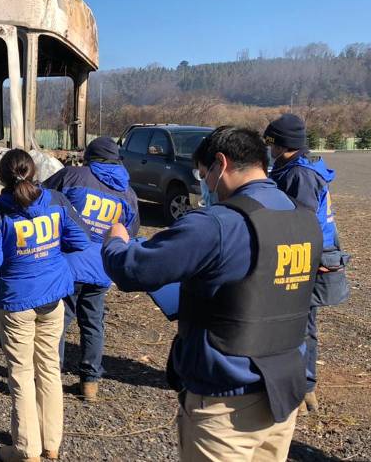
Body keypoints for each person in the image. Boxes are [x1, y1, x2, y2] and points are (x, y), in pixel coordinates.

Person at [102, 126, 322, 462]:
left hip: (225, 403)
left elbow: (135, 269)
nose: (205, 184)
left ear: (220, 164)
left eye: (203, 174)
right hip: (282, 390)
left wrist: (115, 241)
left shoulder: (217, 224)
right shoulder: (303, 218)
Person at [0, 149, 90, 462]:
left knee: (22, 375)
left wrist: (15, 255)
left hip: (16, 302)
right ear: (34, 171)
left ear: (1, 177)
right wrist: (50, 253)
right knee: (50, 369)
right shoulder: (55, 201)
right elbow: (80, 240)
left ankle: (27, 450)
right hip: (53, 297)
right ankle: (51, 444)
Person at [264, 113, 350, 414]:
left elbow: (298, 225)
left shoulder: (298, 176)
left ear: (280, 144)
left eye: (270, 142)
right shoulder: (292, 169)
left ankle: (303, 387)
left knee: (300, 324)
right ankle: (299, 384)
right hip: (305, 256)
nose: (268, 148)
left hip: (304, 259)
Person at [42, 136, 139, 402]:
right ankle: (90, 383)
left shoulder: (73, 175)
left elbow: (41, 198)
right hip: (102, 268)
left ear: (91, 156)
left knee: (58, 322)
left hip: (68, 265)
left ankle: (51, 379)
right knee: (93, 324)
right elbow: (129, 233)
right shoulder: (128, 193)